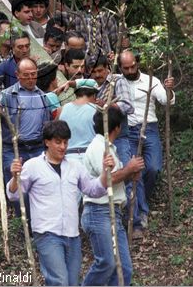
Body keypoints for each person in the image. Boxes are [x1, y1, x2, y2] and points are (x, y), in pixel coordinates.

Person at [6, 120, 115, 286]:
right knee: (60, 282)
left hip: (72, 234)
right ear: (47, 142)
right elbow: (14, 195)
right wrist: (15, 177)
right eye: (58, 142)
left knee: (72, 283)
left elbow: (93, 190)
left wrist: (105, 173)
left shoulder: (75, 166)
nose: (63, 147)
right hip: (46, 233)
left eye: (65, 142)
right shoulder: (33, 166)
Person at [81, 107, 145, 286]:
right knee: (107, 263)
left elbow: (115, 179)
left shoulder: (109, 148)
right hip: (98, 211)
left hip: (113, 212)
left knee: (123, 269)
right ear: (117, 127)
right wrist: (129, 169)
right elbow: (108, 179)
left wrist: (131, 174)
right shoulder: (98, 147)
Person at [119, 50, 175, 237]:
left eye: (133, 66)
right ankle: (141, 212)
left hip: (148, 127)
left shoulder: (151, 80)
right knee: (135, 171)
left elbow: (166, 101)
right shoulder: (118, 82)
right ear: (121, 68)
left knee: (153, 168)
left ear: (137, 63)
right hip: (127, 130)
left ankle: (143, 201)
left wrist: (168, 89)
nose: (130, 70)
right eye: (126, 68)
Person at [0, 57, 51, 188]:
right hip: (12, 149)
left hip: (37, 148)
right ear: (17, 75)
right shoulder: (6, 95)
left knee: (38, 187)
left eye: (33, 74)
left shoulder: (43, 97)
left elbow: (48, 124)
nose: (31, 78)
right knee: (16, 189)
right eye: (26, 75)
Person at [90, 55, 134, 166]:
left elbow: (127, 105)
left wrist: (106, 105)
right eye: (93, 72)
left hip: (118, 137)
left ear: (107, 68)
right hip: (101, 139)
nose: (97, 75)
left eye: (100, 70)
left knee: (125, 172)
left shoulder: (117, 81)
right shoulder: (94, 86)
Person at [58, 79, 99, 163]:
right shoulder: (97, 110)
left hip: (67, 156)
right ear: (94, 95)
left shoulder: (61, 109)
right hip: (90, 156)